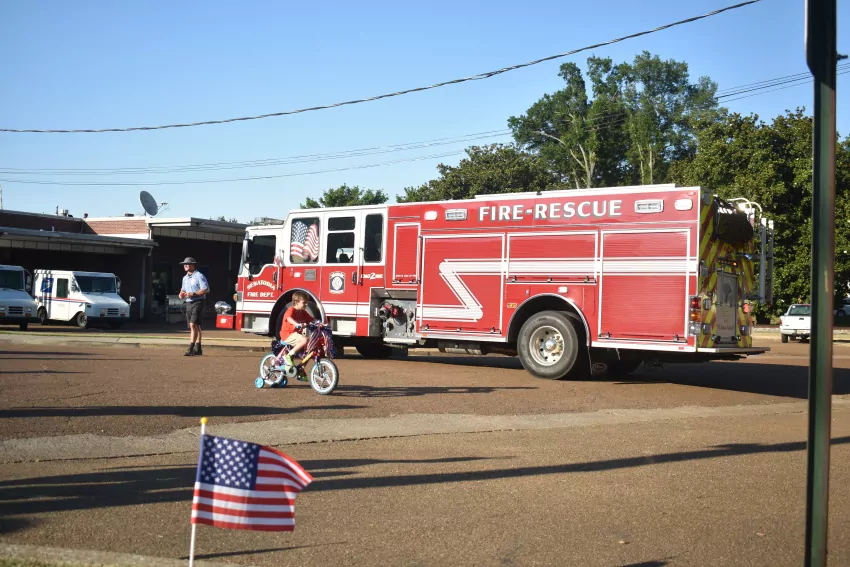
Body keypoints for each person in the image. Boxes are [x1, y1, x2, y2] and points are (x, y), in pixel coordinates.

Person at [178, 257, 209, 356]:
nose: (185, 265)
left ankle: (191, 349)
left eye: (187, 264)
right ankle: (198, 348)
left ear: (193, 265)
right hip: (188, 303)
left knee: (192, 325)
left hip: (198, 302)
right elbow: (183, 289)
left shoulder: (199, 276)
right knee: (196, 326)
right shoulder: (185, 278)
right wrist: (181, 294)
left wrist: (193, 294)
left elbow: (205, 289)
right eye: (184, 264)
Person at [279, 291, 315, 367]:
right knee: (304, 340)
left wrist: (321, 324)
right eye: (304, 302)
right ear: (296, 302)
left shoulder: (303, 312)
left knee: (309, 346)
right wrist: (296, 324)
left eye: (307, 302)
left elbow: (312, 320)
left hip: (295, 335)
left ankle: (300, 368)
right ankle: (289, 356)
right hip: (287, 334)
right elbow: (289, 318)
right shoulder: (291, 310)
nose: (306, 304)